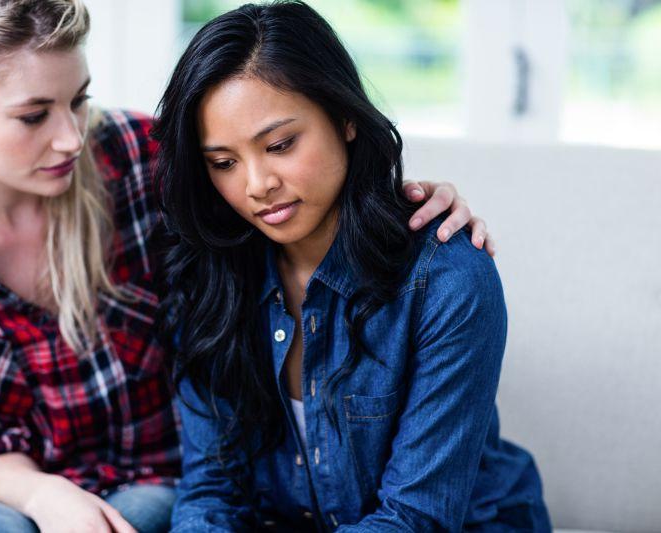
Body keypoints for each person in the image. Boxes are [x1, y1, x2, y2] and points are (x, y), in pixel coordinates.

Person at [0, 1, 485, 532]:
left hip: (138, 468)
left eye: (79, 101)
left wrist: (408, 197)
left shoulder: (133, 158)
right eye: (33, 115)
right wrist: (42, 495)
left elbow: (275, 145)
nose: (70, 139)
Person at [154, 2, 552, 532]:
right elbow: (211, 492)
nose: (256, 184)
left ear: (344, 118)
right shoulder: (212, 275)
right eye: (224, 163)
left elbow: (415, 518)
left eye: (279, 145)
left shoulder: (448, 280)